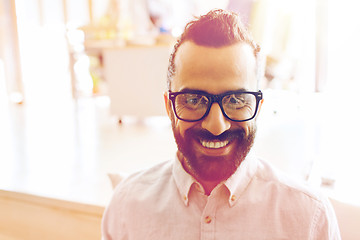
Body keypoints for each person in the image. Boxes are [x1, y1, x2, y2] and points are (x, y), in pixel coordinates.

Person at [102, 9, 341, 240]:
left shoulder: (309, 217)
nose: (217, 126)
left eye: (236, 100)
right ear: (169, 107)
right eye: (194, 100)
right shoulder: (127, 207)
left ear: (258, 107)